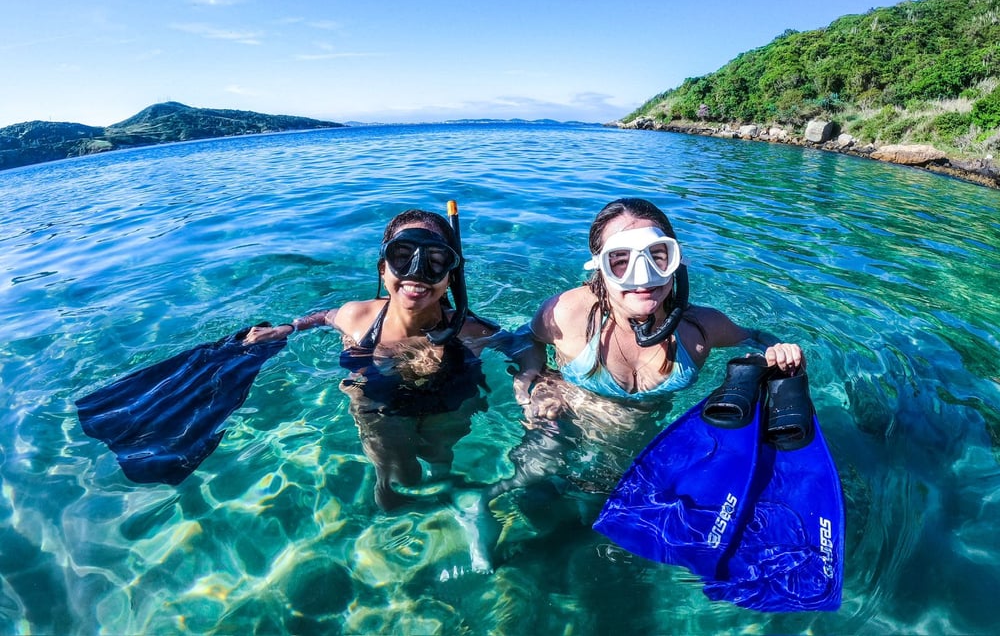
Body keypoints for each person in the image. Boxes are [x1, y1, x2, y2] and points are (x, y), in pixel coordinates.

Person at [244, 208, 499, 514]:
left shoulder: (471, 331)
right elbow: (325, 316)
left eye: (435, 260)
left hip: (448, 399)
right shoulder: (358, 317)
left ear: (450, 276)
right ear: (382, 268)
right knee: (393, 485)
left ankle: (446, 495)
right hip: (377, 405)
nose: (416, 273)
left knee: (439, 453)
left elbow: (522, 345)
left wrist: (538, 380)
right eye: (402, 255)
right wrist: (289, 327)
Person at [512, 197, 803, 423]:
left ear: (676, 259)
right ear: (600, 268)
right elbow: (527, 337)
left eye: (657, 255)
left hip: (645, 437)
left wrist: (779, 351)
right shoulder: (565, 313)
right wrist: (534, 375)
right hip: (562, 418)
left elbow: (756, 337)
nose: (643, 277)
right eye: (621, 260)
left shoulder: (702, 328)